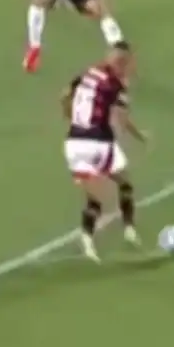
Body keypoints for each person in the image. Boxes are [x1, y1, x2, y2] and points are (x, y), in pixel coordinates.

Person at [62, 42, 148, 261]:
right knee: (124, 184)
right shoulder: (116, 84)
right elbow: (122, 118)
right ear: (122, 61)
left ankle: (90, 240)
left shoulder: (87, 73)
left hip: (74, 142)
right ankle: (127, 230)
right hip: (98, 142)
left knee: (96, 198)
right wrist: (140, 136)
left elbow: (65, 95)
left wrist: (71, 117)